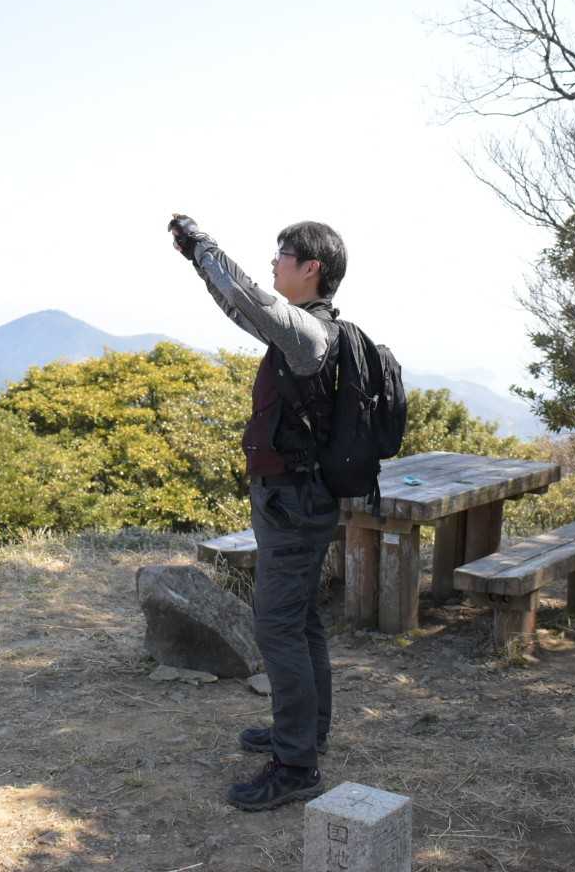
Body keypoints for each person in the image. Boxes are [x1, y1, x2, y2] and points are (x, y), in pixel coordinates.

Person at [167, 212, 346, 812]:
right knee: (300, 621)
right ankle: (307, 734)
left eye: (282, 254)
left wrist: (204, 246)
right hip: (296, 498)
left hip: (294, 502)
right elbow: (240, 307)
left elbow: (248, 296)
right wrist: (199, 264)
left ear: (311, 268)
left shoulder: (308, 333)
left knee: (277, 627)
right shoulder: (306, 330)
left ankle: (296, 766)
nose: (273, 263)